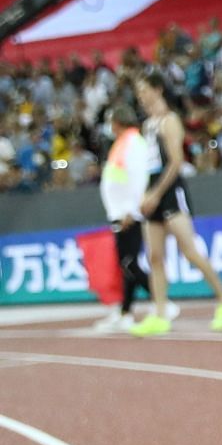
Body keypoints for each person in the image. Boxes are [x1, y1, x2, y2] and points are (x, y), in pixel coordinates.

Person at [130, 76, 222, 336]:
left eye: (145, 90)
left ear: (158, 89)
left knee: (189, 250)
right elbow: (148, 165)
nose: (142, 97)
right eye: (139, 93)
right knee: (155, 256)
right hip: (153, 190)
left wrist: (157, 193)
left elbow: (176, 161)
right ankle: (159, 313)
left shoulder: (170, 121)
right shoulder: (147, 126)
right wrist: (145, 193)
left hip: (170, 191)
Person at [91, 104, 154, 333]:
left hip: (128, 213)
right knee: (126, 264)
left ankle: (161, 301)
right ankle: (125, 312)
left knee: (129, 263)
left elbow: (138, 177)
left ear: (117, 121)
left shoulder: (134, 142)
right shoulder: (123, 142)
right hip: (119, 213)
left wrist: (132, 209)